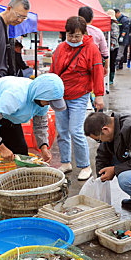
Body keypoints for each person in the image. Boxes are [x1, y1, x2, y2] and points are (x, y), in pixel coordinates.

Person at [0, 74, 66, 216]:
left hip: (10, 115)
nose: (49, 104)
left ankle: (18, 191)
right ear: (41, 94)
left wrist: (44, 147)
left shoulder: (41, 100)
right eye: (48, 101)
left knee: (21, 151)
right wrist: (1, 147)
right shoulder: (15, 96)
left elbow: (40, 124)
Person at [50, 16, 105, 181]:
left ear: (84, 33)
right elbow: (53, 71)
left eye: (77, 36)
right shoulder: (60, 48)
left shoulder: (91, 48)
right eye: (70, 35)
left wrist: (99, 95)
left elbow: (98, 72)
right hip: (60, 96)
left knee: (76, 130)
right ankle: (66, 162)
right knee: (62, 132)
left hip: (80, 96)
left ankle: (85, 166)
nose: (73, 39)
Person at [84, 112, 131, 216]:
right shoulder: (113, 126)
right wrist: (100, 178)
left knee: (126, 180)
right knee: (112, 161)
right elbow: (102, 155)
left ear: (105, 130)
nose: (99, 142)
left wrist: (115, 170)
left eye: (98, 140)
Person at [78, 6, 109, 75]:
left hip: (77, 65)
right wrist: (106, 67)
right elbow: (105, 52)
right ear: (92, 18)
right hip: (94, 64)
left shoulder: (74, 31)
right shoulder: (98, 32)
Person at [106, 9, 119, 85]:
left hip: (113, 47)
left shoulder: (114, 25)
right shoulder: (105, 24)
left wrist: (112, 45)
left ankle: (111, 78)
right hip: (106, 45)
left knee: (112, 63)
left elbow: (115, 36)